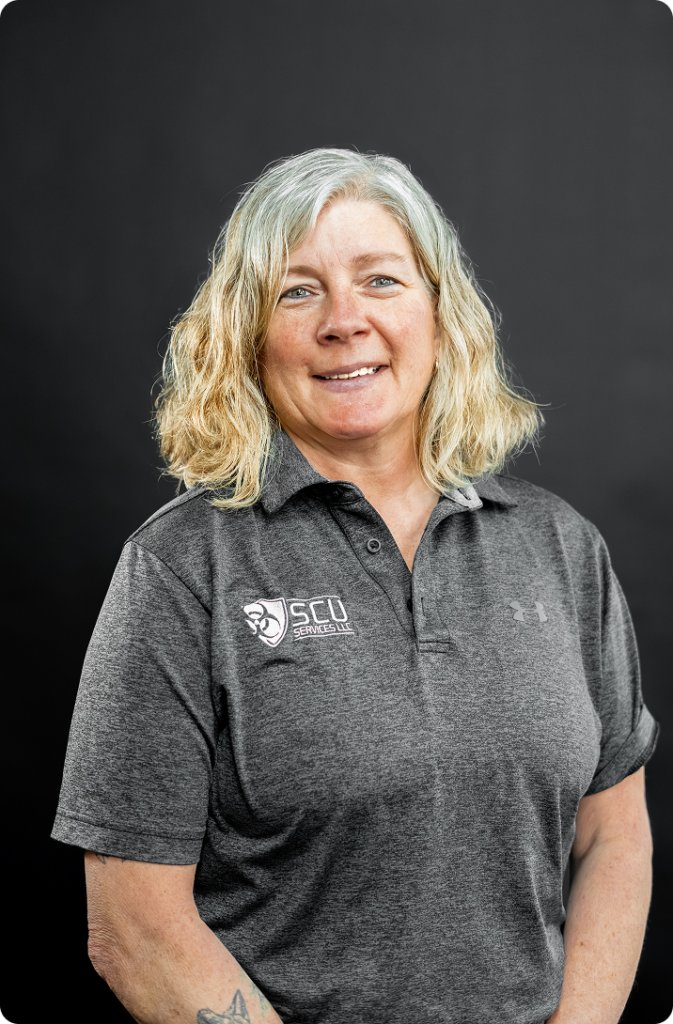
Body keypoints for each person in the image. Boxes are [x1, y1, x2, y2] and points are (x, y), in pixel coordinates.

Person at [52, 148, 658, 1024]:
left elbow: (613, 834)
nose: (345, 321)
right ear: (247, 336)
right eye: (297, 292)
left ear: (440, 313)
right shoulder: (181, 566)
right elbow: (132, 925)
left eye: (380, 280)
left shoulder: (559, 547)